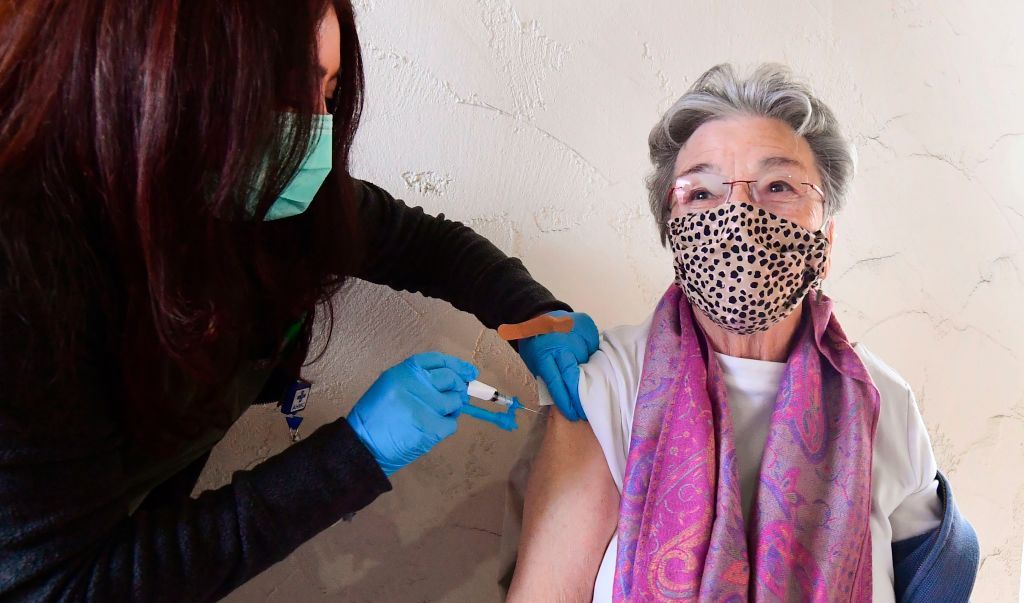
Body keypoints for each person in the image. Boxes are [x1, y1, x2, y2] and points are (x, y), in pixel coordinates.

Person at [0, 1, 598, 600]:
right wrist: (354, 453)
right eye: (289, 90)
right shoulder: (27, 279)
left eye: (329, 94)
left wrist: (529, 311)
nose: (316, 128)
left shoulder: (255, 200)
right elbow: (65, 586)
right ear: (157, 78)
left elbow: (422, 243)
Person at [507, 64, 979, 602]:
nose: (737, 217)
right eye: (702, 193)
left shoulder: (881, 400)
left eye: (777, 186)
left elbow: (936, 579)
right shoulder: (611, 385)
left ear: (826, 238)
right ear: (672, 231)